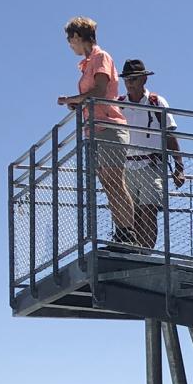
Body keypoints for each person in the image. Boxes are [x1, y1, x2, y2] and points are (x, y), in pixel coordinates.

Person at [57, 17, 136, 245]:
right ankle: (122, 231)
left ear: (77, 37)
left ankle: (127, 232)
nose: (70, 45)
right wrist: (78, 103)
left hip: (109, 126)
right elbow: (93, 94)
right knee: (109, 183)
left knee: (115, 181)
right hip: (96, 129)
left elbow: (100, 90)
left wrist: (72, 99)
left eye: (70, 40)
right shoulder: (87, 63)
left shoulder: (101, 57)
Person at [119, 60, 185, 251]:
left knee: (149, 211)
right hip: (126, 167)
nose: (129, 83)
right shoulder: (118, 104)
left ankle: (145, 252)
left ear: (144, 79)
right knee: (131, 214)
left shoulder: (157, 102)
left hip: (152, 164)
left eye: (133, 78)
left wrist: (179, 167)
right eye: (126, 79)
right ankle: (133, 251)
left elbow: (170, 135)